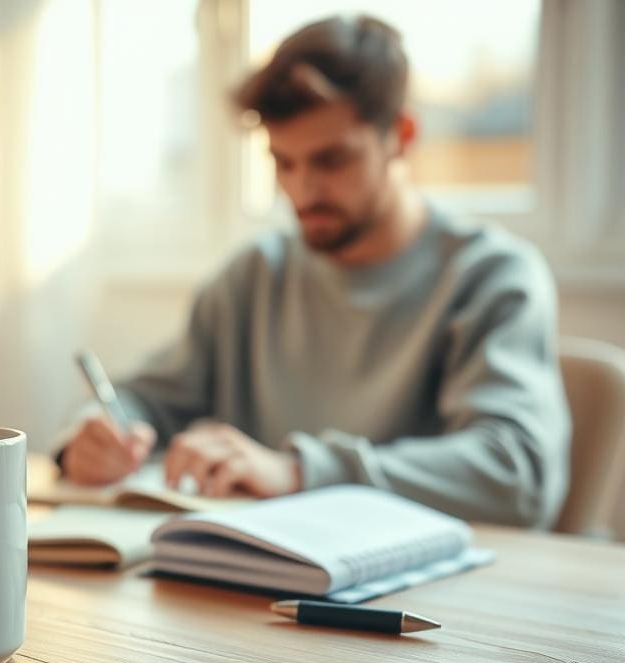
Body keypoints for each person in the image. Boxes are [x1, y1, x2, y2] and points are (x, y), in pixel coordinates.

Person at [58, 14, 570, 527]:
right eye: (284, 163)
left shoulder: (491, 278)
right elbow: (142, 399)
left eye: (332, 160)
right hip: (254, 569)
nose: (303, 190)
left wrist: (301, 472)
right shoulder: (253, 277)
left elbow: (516, 474)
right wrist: (95, 434)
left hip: (423, 577)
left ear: (401, 135)